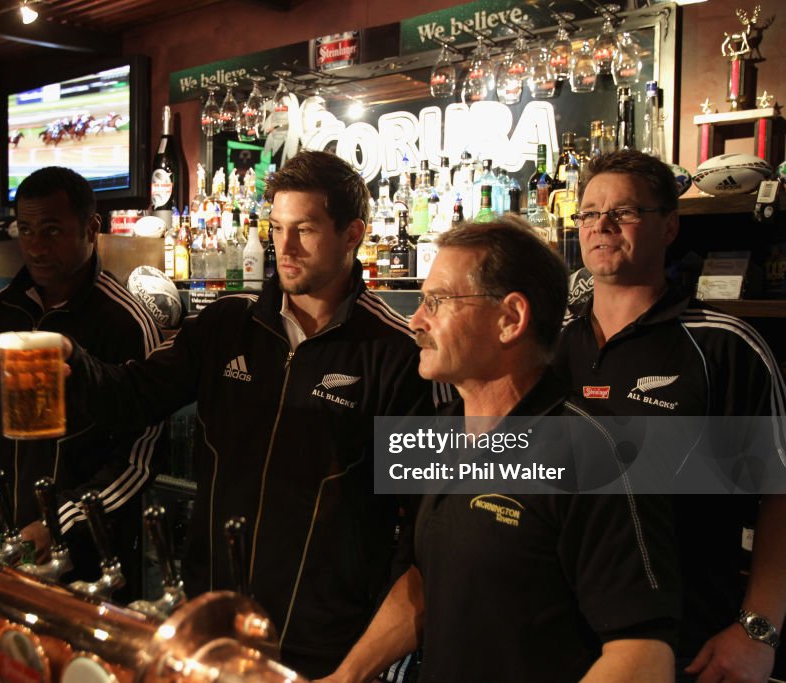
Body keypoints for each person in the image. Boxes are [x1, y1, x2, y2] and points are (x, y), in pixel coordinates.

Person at [59, 151, 440, 678]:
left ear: (353, 234)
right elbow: (131, 397)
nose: (283, 247)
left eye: (304, 229)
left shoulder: (393, 355)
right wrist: (69, 361)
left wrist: (363, 662)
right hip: (216, 623)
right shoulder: (226, 325)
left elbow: (423, 528)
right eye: (277, 227)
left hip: (323, 645)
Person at [322, 220, 681, 682]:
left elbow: (643, 655)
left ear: (511, 319)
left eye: (438, 301)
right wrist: (346, 676)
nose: (416, 320)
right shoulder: (439, 432)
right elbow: (429, 578)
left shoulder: (595, 453)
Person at [555, 149, 786, 682]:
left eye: (625, 212)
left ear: (669, 227)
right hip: (561, 636)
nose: (602, 226)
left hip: (685, 646)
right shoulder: (549, 344)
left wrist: (758, 630)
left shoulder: (725, 346)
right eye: (589, 213)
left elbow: (780, 493)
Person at [0, 166, 163, 591]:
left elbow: (140, 456)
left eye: (51, 230)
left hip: (89, 553)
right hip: (5, 536)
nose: (36, 246)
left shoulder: (125, 321)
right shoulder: (4, 308)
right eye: (26, 230)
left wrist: (59, 522)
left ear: (91, 229)